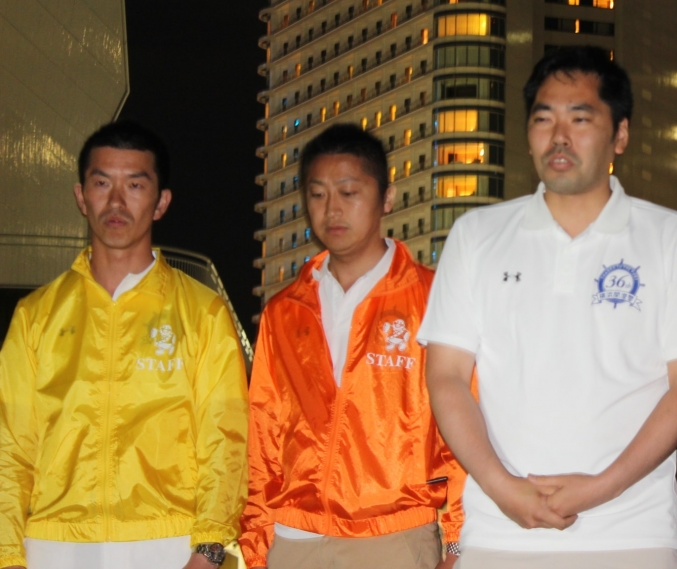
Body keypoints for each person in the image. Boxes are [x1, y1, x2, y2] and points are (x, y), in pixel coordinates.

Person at [421, 46, 677, 568]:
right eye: (543, 118)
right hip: (499, 534)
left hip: (633, 534)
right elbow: (446, 377)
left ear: (620, 135)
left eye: (580, 118)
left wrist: (600, 488)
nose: (559, 136)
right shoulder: (476, 235)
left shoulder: (672, 239)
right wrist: (503, 489)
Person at [0, 120, 248, 569]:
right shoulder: (35, 316)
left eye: (135, 185)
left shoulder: (202, 312)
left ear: (161, 202)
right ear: (81, 197)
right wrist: (8, 555)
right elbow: (10, 445)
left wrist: (209, 550)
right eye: (102, 183)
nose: (116, 201)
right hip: (54, 546)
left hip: (171, 544)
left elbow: (226, 438)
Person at [239, 123, 464, 569]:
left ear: (387, 198)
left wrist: (458, 542)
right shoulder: (284, 311)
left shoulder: (432, 298)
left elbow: (461, 426)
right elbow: (262, 432)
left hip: (394, 538)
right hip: (295, 539)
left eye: (348, 192)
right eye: (318, 194)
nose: (332, 209)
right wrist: (257, 546)